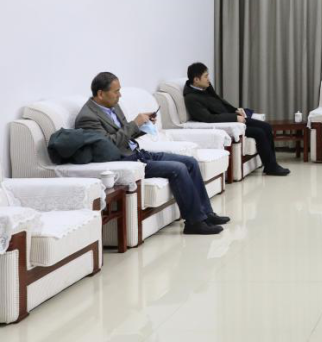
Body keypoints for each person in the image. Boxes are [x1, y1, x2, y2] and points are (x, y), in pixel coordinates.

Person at [75, 71, 229, 235]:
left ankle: (206, 213)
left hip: (137, 152)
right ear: (100, 93)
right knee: (178, 168)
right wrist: (135, 123)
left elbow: (125, 134)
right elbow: (108, 145)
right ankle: (194, 222)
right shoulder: (87, 117)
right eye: (116, 91)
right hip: (124, 161)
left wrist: (143, 125)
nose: (120, 95)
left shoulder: (113, 106)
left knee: (190, 161)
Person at [183, 62, 290, 177]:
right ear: (196, 80)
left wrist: (235, 110)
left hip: (231, 117)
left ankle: (271, 165)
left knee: (267, 126)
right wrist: (234, 118)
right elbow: (208, 118)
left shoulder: (205, 87)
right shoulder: (191, 98)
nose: (208, 79)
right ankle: (271, 167)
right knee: (259, 132)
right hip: (226, 124)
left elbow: (220, 101)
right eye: (206, 76)